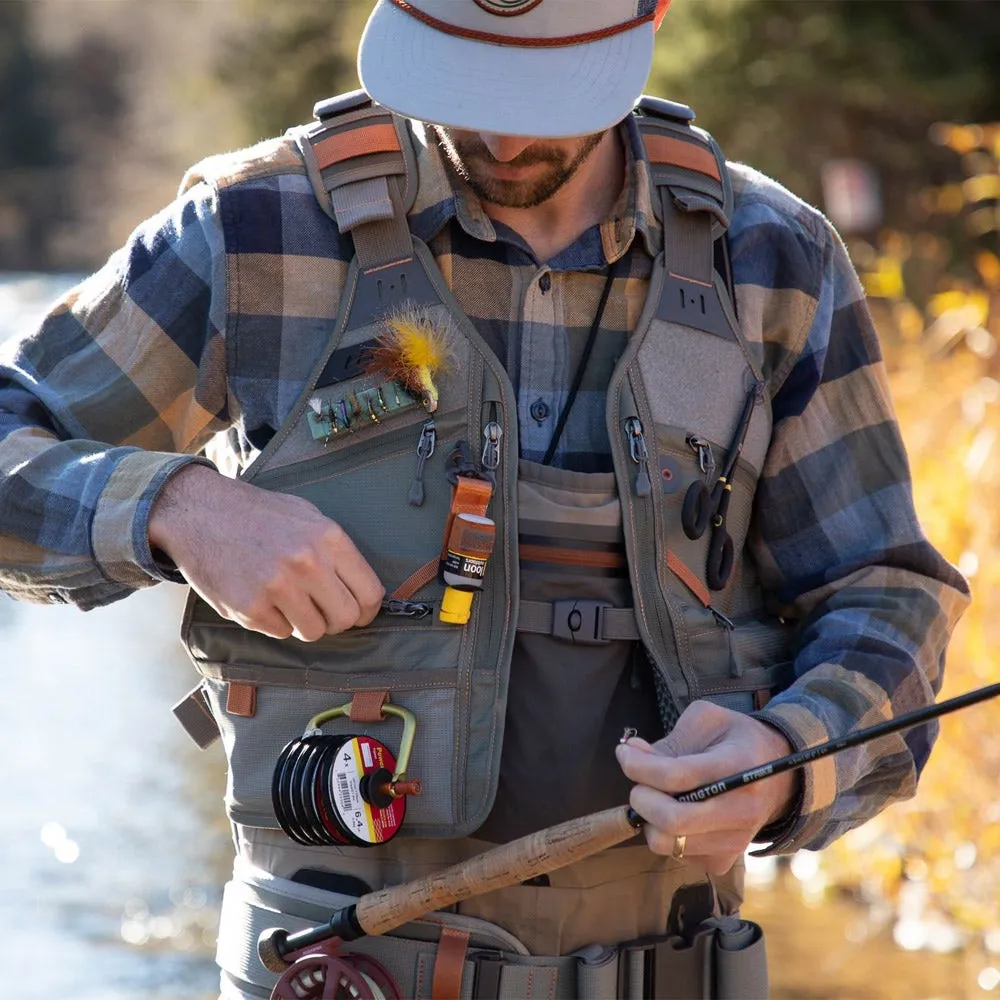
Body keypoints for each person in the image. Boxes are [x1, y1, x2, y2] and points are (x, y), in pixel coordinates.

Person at [0, 0, 970, 997]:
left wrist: (789, 755)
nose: (504, 137)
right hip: (337, 965)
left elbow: (886, 591)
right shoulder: (251, 231)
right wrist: (180, 507)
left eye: (547, 95)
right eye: (463, 82)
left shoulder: (775, 263)